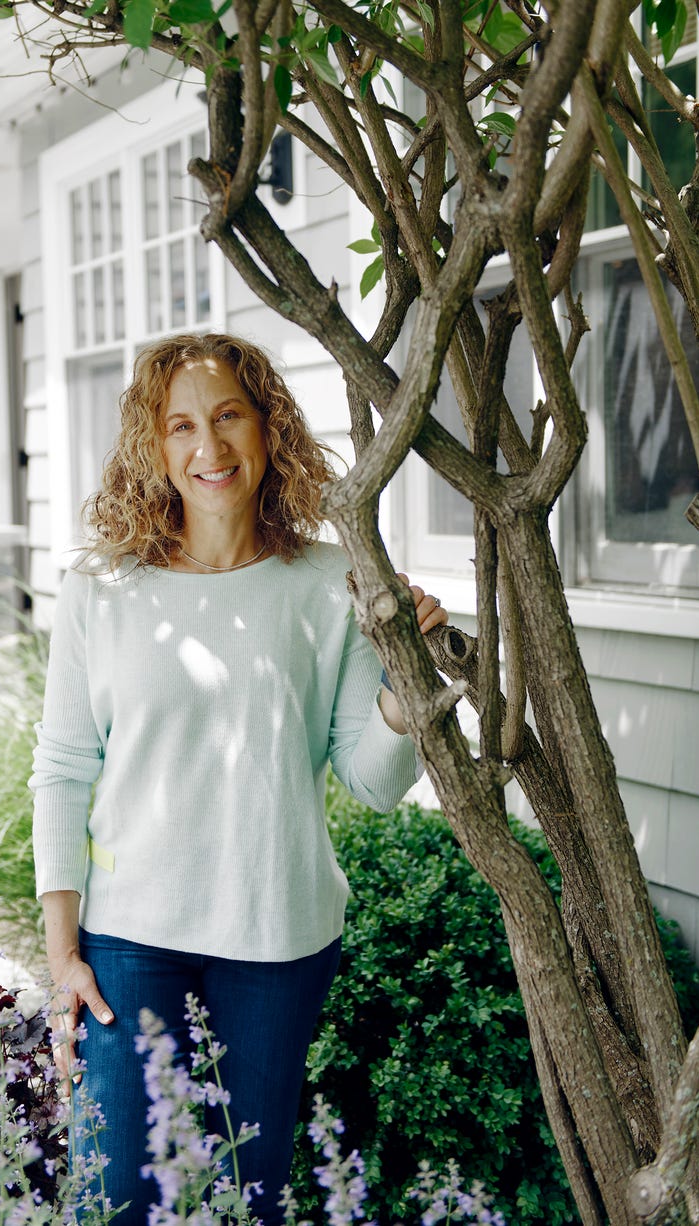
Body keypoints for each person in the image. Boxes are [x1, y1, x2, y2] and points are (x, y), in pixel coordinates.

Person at [29, 332, 448, 1225]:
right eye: (181, 425)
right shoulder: (102, 588)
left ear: (269, 428)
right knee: (116, 1198)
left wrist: (406, 686)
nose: (208, 447)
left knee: (245, 1202)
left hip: (276, 938)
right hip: (129, 941)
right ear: (154, 445)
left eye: (228, 417)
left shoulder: (330, 582)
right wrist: (63, 955)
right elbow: (62, 769)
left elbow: (373, 782)